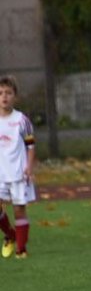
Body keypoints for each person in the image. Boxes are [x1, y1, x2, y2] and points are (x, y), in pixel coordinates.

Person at [0, 75, 36, 259]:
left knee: (19, 210)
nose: (4, 97)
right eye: (0, 93)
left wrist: (29, 167)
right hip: (0, 173)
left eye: (8, 93)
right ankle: (10, 234)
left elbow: (30, 146)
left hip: (18, 173)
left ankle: (21, 250)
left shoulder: (22, 120)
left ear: (15, 96)